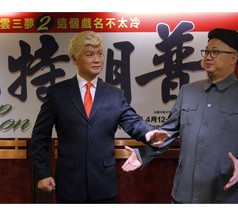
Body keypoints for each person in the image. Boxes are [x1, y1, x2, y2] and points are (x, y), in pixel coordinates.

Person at [122, 28, 238, 203]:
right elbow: (168, 133)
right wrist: (142, 155)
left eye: (215, 52)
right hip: (183, 193)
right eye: (207, 51)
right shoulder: (188, 91)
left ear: (234, 57)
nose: (208, 56)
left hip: (222, 194)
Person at [30, 31, 169, 203]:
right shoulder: (57, 93)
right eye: (89, 54)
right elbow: (39, 137)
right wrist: (42, 174)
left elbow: (132, 120)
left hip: (104, 184)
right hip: (69, 184)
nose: (97, 60)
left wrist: (149, 134)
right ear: (74, 59)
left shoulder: (115, 94)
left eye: (100, 54)